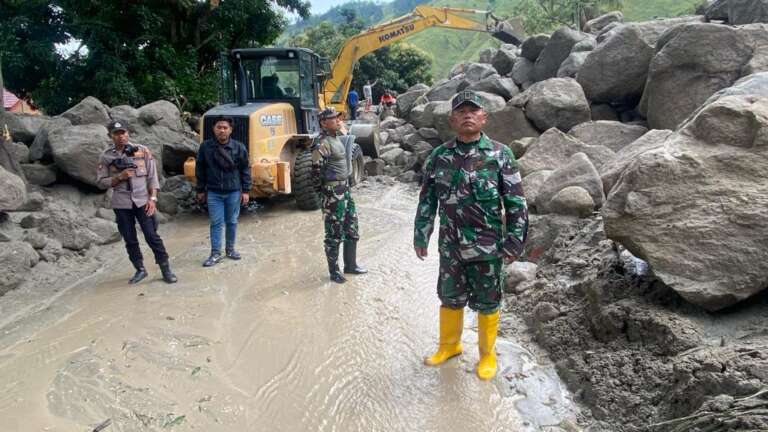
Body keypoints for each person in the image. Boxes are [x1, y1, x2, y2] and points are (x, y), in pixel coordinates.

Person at [413, 90, 528, 380]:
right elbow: (427, 200)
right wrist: (421, 235)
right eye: (461, 111)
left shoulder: (501, 155)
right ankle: (449, 346)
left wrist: (515, 241)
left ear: (483, 118)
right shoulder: (439, 156)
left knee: (488, 301)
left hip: (488, 247)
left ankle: (487, 356)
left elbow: (516, 202)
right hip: (450, 247)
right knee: (449, 296)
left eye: (473, 111)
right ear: (451, 119)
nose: (467, 115)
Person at [97, 120, 178, 285]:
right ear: (110, 136)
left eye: (124, 133)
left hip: (143, 201)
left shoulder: (142, 151)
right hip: (121, 203)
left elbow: (152, 177)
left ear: (128, 133)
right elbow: (100, 182)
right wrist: (119, 177)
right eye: (117, 134)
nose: (121, 137)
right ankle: (140, 269)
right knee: (129, 238)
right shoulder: (106, 156)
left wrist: (153, 199)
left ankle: (165, 268)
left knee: (151, 235)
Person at [312, 107, 367, 284]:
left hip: (345, 191)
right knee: (334, 233)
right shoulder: (323, 143)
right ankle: (334, 271)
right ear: (323, 123)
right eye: (333, 118)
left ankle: (350, 265)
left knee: (352, 228)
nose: (337, 120)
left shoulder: (336, 139)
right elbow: (315, 171)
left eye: (338, 118)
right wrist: (325, 194)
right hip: (333, 193)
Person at [195, 116, 252, 267]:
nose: (222, 130)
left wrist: (245, 190)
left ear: (230, 130)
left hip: (233, 192)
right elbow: (199, 169)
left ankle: (230, 249)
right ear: (214, 129)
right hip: (213, 192)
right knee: (215, 222)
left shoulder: (239, 147)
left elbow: (245, 169)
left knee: (232, 221)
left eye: (225, 127)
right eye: (219, 127)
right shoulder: (205, 147)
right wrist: (200, 190)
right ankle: (215, 253)